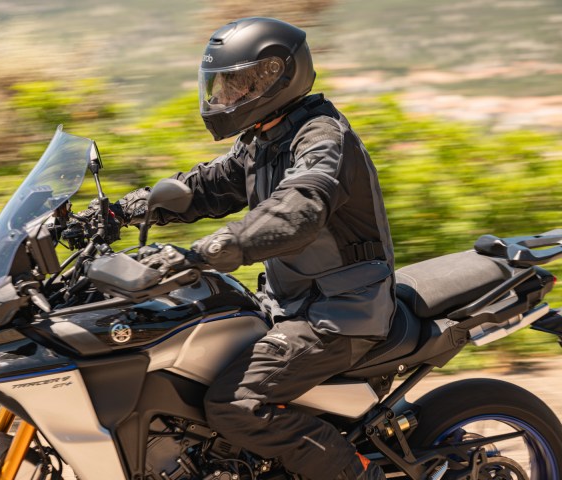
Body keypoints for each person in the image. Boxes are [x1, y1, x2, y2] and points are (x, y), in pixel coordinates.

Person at [97, 17, 395, 480]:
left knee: (235, 404)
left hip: (340, 312)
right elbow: (207, 186)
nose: (224, 96)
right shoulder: (265, 137)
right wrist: (122, 211)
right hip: (290, 301)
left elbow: (297, 210)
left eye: (237, 84)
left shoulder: (321, 137)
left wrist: (204, 252)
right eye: (222, 85)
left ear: (274, 77)